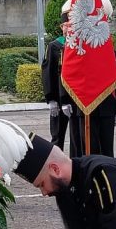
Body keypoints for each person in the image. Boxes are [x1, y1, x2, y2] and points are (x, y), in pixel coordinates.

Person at [61, 0, 116, 156]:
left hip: (107, 107)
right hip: (82, 104)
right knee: (85, 148)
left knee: (107, 150)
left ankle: (106, 180)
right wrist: (64, 100)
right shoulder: (74, 50)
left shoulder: (111, 52)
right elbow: (69, 73)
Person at [42, 8, 71, 150]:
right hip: (58, 98)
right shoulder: (54, 46)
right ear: (62, 27)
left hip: (75, 98)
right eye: (67, 25)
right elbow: (48, 72)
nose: (70, 27)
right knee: (57, 137)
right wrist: (51, 99)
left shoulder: (78, 45)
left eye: (73, 24)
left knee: (77, 138)